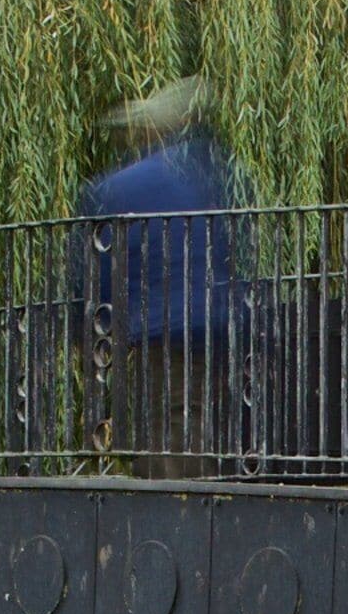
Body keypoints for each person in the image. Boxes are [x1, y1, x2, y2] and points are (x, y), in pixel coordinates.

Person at [72, 75, 245, 476]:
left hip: (159, 323)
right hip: (211, 318)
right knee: (186, 412)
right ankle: (183, 495)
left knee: (165, 414)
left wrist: (94, 323)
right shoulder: (215, 173)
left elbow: (100, 261)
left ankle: (172, 503)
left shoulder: (122, 186)